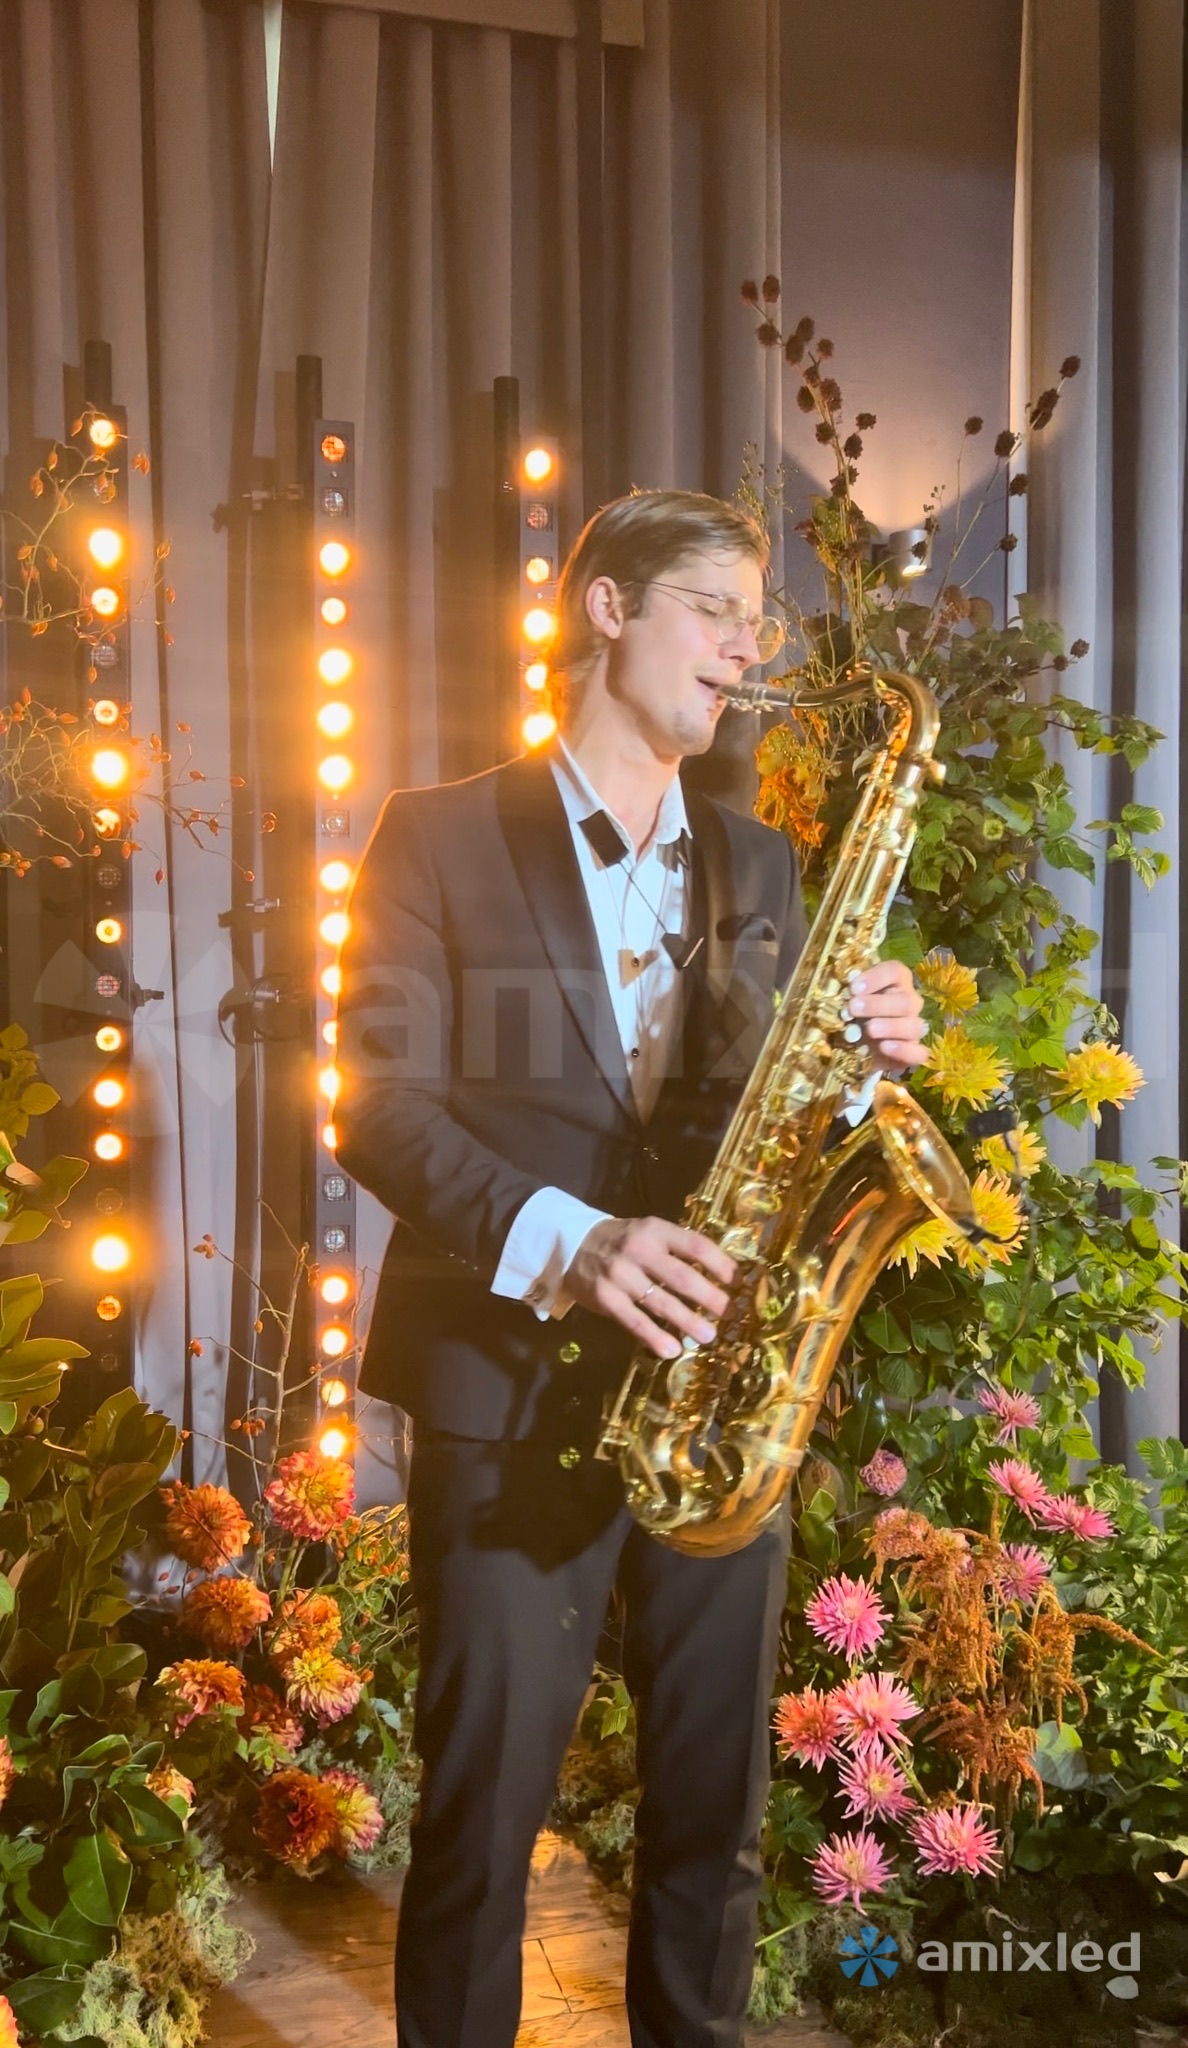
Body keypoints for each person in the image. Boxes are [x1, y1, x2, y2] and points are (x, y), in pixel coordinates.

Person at [335, 489, 926, 2048]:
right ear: (607, 606)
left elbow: (768, 1115)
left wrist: (862, 1068)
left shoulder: (762, 862)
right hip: (509, 1390)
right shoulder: (436, 833)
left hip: (719, 1395)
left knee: (713, 1828)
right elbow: (377, 1106)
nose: (748, 647)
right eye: (717, 608)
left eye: (758, 620)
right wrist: (576, 1241)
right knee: (481, 1827)